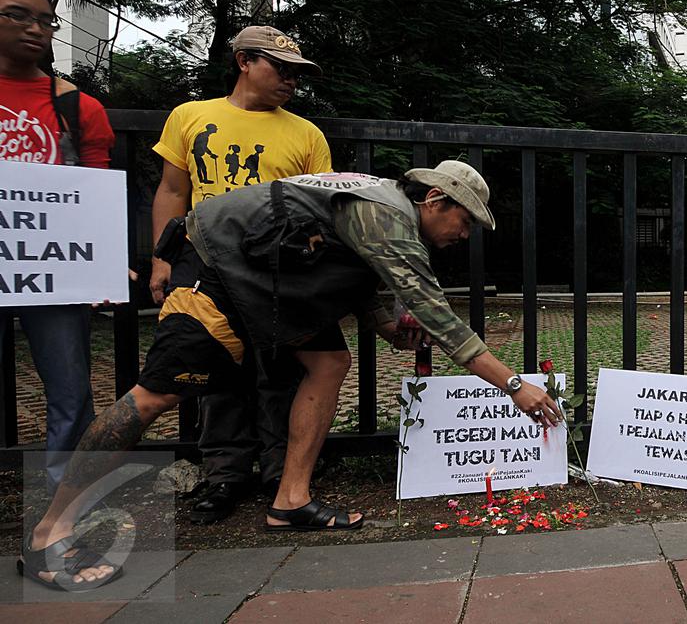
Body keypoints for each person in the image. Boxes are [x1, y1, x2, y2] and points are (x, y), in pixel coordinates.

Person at [19, 160, 566, 591]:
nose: (465, 235)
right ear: (435, 200)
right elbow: (436, 313)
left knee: (330, 362)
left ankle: (291, 501)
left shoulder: (383, 209)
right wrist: (514, 385)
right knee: (152, 398)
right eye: (464, 221)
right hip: (215, 267)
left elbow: (369, 288)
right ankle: (50, 530)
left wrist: (390, 327)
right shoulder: (389, 215)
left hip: (265, 281)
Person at [149, 25, 346, 525]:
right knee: (218, 374)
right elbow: (173, 191)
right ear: (243, 61)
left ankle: (284, 478)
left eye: (297, 74)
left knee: (280, 372)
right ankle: (224, 477)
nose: (291, 81)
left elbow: (322, 207)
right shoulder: (191, 116)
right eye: (281, 68)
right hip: (207, 266)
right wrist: (162, 256)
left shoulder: (307, 133)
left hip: (276, 271)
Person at [0, 0, 115, 488]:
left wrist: (101, 269)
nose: (35, 29)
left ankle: (62, 517)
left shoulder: (77, 106)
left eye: (45, 21)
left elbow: (96, 191)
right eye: (17, 15)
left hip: (54, 271)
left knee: (71, 392)